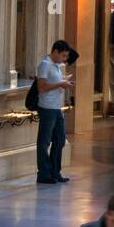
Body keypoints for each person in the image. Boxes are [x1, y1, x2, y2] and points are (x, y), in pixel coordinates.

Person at [36, 40, 74, 184]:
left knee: (60, 139)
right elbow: (42, 86)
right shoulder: (45, 64)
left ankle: (55, 171)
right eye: (63, 56)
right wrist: (61, 84)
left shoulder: (56, 66)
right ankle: (44, 173)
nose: (64, 59)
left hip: (56, 108)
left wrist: (64, 81)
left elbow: (52, 82)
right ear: (56, 51)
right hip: (47, 107)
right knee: (44, 141)